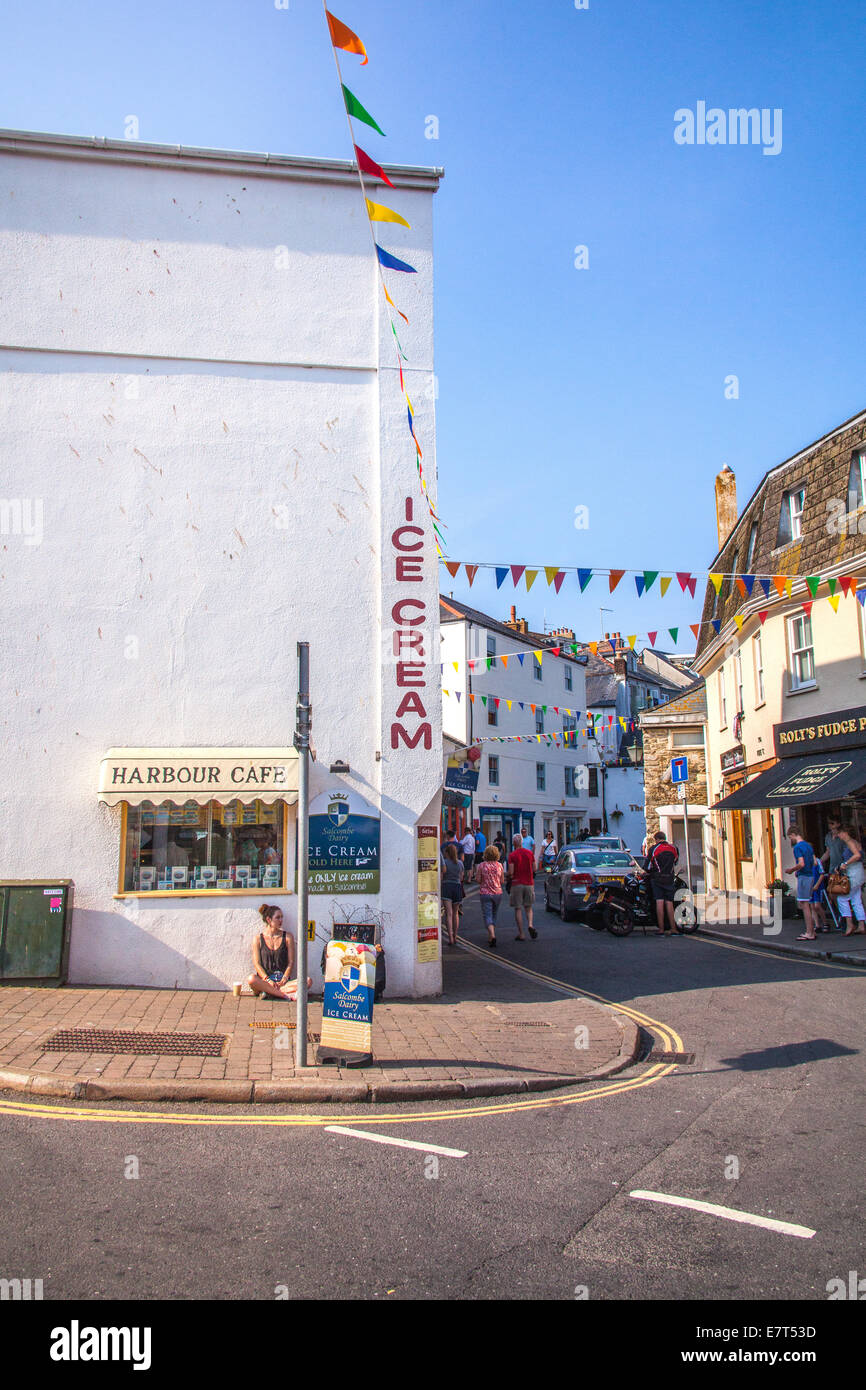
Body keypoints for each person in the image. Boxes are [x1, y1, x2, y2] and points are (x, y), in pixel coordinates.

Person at [247, 905, 310, 1000]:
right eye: (277, 917)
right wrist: (267, 980)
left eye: (282, 917)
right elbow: (257, 963)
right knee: (252, 979)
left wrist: (284, 978)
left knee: (308, 981)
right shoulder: (258, 939)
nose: (281, 920)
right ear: (268, 920)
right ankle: (285, 995)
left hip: (282, 982)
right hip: (265, 981)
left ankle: (270, 992)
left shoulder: (288, 937)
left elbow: (291, 962)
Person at [641, 830, 679, 935]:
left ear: (656, 839)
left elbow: (647, 867)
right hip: (670, 878)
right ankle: (673, 928)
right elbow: (675, 861)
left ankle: (661, 929)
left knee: (659, 901)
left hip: (657, 878)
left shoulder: (653, 849)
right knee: (669, 902)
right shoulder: (673, 848)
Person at [832, 822, 866, 935]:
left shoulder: (850, 842)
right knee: (856, 900)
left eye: (840, 833)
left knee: (842, 899)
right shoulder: (855, 842)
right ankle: (861, 924)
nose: (838, 836)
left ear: (845, 833)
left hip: (853, 873)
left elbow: (857, 855)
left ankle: (849, 924)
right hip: (859, 872)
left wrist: (845, 863)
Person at [785, 826, 817, 940]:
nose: (790, 839)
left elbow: (801, 863)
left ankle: (809, 932)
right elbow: (814, 862)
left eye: (790, 837)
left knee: (804, 905)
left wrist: (792, 870)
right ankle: (812, 930)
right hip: (810, 875)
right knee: (807, 904)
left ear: (793, 834)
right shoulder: (808, 845)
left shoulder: (797, 847)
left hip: (804, 876)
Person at [507, 833, 537, 940]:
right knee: (528, 907)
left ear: (514, 843)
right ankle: (530, 925)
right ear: (522, 842)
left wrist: (507, 876)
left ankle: (521, 934)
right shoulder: (529, 853)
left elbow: (511, 872)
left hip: (517, 884)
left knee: (518, 908)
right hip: (529, 883)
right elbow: (534, 869)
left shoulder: (512, 855)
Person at [475, 845, 504, 947]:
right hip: (497, 893)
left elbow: (478, 880)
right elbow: (502, 881)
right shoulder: (499, 865)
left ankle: (492, 935)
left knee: (487, 915)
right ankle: (491, 936)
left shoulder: (482, 866)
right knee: (494, 914)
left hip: (485, 893)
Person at [440, 843, 464, 947]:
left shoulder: (444, 863)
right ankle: (455, 936)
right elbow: (461, 877)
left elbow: (441, 877)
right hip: (457, 887)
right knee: (455, 914)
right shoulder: (460, 863)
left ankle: (450, 937)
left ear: (447, 853)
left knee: (448, 914)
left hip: (447, 887)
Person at [810, 858, 829, 933]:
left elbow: (822, 874)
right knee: (812, 906)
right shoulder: (805, 861)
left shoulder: (817, 861)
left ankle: (825, 923)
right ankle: (817, 925)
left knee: (817, 906)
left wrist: (817, 885)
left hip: (818, 887)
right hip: (810, 887)